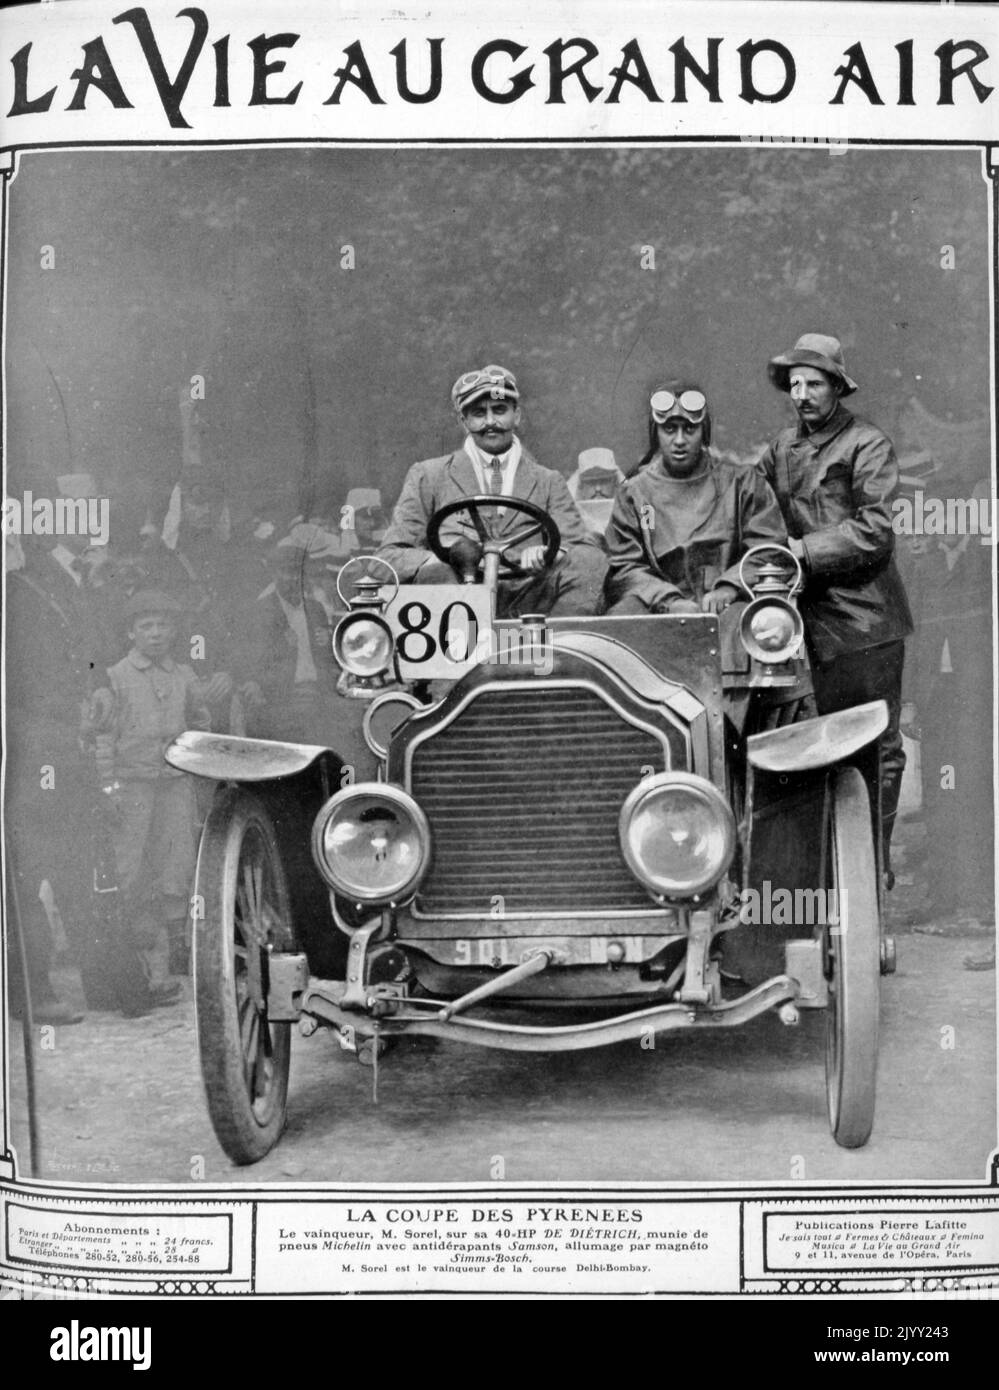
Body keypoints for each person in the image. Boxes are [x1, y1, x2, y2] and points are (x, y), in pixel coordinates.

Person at [759, 334, 914, 882]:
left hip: (866, 623)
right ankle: (824, 875)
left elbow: (875, 531)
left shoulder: (866, 444)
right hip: (804, 629)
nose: (802, 394)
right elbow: (749, 508)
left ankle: (871, 867)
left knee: (878, 747)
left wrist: (801, 551)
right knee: (811, 747)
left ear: (837, 387)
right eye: (795, 384)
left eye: (815, 383)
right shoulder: (779, 449)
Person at [378, 363, 606, 617]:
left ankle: (561, 650)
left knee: (590, 561)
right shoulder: (429, 476)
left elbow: (580, 548)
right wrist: (434, 561)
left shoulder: (548, 480)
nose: (490, 422)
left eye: (499, 410)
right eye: (478, 413)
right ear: (463, 422)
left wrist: (550, 553)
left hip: (530, 602)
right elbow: (388, 556)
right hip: (456, 604)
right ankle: (462, 651)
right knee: (436, 573)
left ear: (516, 415)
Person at [92, 591, 211, 1008]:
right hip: (132, 785)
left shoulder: (184, 674)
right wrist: (109, 787)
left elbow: (200, 723)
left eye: (163, 625)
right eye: (146, 626)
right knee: (130, 874)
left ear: (174, 631)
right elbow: (102, 739)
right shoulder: (114, 676)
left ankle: (166, 969)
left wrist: (193, 767)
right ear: (131, 632)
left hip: (175, 784)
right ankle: (133, 975)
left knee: (174, 871)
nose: (156, 633)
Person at [604, 380, 788, 615]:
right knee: (623, 617)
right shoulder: (634, 493)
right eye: (669, 429)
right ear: (655, 434)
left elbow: (769, 547)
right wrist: (668, 601)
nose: (679, 440)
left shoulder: (742, 483)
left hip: (727, 604)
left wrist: (730, 586)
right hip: (657, 606)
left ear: (705, 432)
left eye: (690, 429)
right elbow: (624, 567)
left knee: (752, 623)